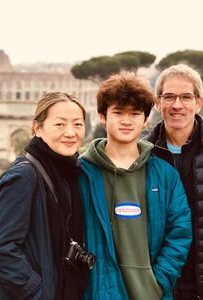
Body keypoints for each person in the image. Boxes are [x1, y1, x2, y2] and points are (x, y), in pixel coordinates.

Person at [78, 72, 192, 300]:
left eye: (135, 114)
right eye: (118, 113)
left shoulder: (165, 174)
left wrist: (158, 282)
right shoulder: (80, 173)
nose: (127, 121)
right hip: (96, 293)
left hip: (152, 293)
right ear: (102, 116)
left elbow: (180, 232)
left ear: (146, 119)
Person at [0, 92, 90, 300]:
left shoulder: (71, 172)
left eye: (77, 124)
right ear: (37, 127)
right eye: (60, 124)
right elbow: (0, 247)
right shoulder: (23, 177)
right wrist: (36, 292)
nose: (70, 132)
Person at [146, 64, 203, 300]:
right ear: (158, 103)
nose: (177, 105)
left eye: (186, 97)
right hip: (158, 283)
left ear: (198, 103)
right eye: (169, 97)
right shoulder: (140, 156)